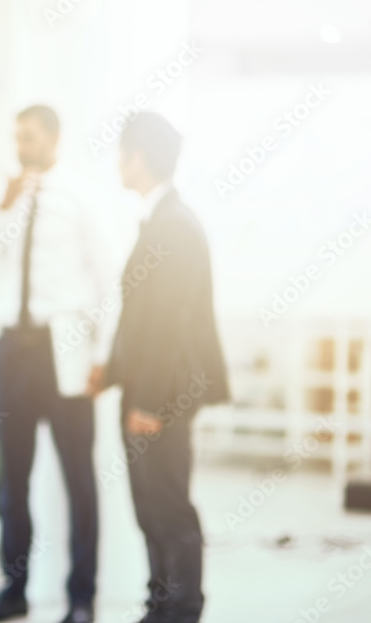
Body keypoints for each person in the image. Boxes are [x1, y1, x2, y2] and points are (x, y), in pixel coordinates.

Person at [0, 105, 124, 623]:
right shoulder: (3, 195)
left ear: (52, 138)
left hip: (66, 351)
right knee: (14, 477)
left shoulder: (81, 197)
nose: (19, 147)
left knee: (79, 476)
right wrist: (1, 209)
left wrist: (103, 359)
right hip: (14, 351)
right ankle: (15, 589)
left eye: (27, 138)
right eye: (16, 138)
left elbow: (108, 285)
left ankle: (82, 597)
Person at [101, 112, 229, 623]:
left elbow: (168, 326)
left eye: (121, 152)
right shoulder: (162, 219)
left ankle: (180, 608)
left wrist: (149, 403)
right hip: (146, 389)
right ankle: (161, 600)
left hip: (164, 394)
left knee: (168, 503)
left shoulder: (174, 225)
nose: (118, 162)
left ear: (139, 158)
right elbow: (140, 317)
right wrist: (111, 373)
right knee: (150, 504)